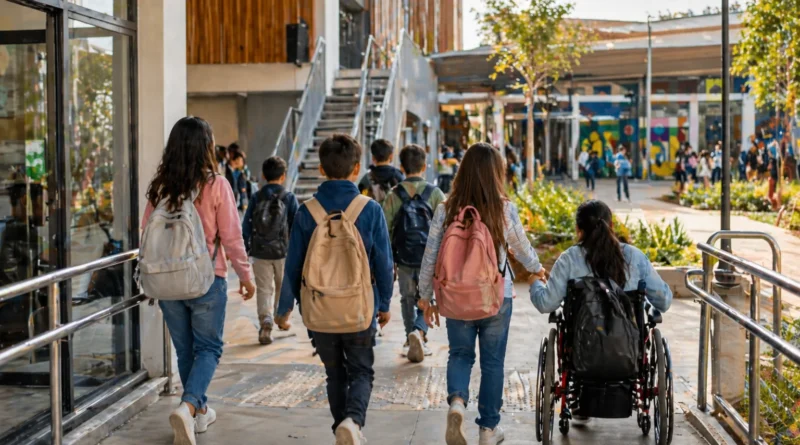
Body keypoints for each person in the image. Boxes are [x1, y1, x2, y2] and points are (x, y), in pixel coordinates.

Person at [417, 143, 545, 445]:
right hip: (496, 297)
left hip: (456, 297)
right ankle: (488, 430)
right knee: (492, 363)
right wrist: (537, 269)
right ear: (496, 173)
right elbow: (522, 248)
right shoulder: (503, 209)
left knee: (460, 355)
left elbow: (431, 255)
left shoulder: (446, 209)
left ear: (463, 172)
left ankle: (457, 404)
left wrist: (425, 297)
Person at [142, 117, 255, 445]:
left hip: (166, 282)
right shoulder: (216, 184)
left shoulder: (160, 186)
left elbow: (146, 232)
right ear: (206, 146)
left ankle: (198, 413)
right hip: (207, 278)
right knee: (208, 348)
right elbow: (232, 237)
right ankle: (189, 405)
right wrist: (246, 276)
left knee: (186, 350)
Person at [275, 134, 393, 445]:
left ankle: (341, 426)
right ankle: (353, 423)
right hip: (359, 308)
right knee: (361, 371)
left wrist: (284, 308)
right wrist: (385, 303)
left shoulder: (306, 211)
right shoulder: (369, 210)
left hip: (319, 310)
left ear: (321, 170)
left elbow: (293, 266)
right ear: (356, 169)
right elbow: (383, 262)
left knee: (335, 374)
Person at [529, 198, 671, 313]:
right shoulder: (635, 256)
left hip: (582, 343)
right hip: (628, 342)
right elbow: (664, 301)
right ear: (612, 225)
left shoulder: (569, 259)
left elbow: (546, 304)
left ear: (578, 229)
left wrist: (536, 283)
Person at [382, 144, 445, 363]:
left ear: (401, 166)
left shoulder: (393, 195)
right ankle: (420, 332)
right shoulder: (435, 193)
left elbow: (386, 229)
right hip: (431, 258)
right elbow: (445, 228)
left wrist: (390, 259)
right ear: (424, 166)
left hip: (405, 258)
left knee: (407, 299)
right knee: (428, 297)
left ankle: (410, 337)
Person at [241, 156, 299, 345]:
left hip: (260, 251)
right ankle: (281, 317)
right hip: (284, 252)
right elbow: (296, 225)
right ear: (283, 176)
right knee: (283, 287)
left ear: (264, 176)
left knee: (264, 289)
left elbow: (246, 225)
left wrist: (247, 248)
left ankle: (266, 322)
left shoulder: (256, 197)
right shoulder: (289, 197)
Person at [358, 139, 405, 203]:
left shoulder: (366, 179)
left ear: (373, 158)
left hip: (373, 212)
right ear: (391, 157)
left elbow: (361, 201)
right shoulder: (398, 176)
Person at [227, 147, 249, 211]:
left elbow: (243, 190)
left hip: (237, 204)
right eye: (242, 160)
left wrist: (244, 203)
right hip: (229, 202)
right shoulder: (226, 170)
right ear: (237, 159)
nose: (243, 163)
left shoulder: (240, 173)